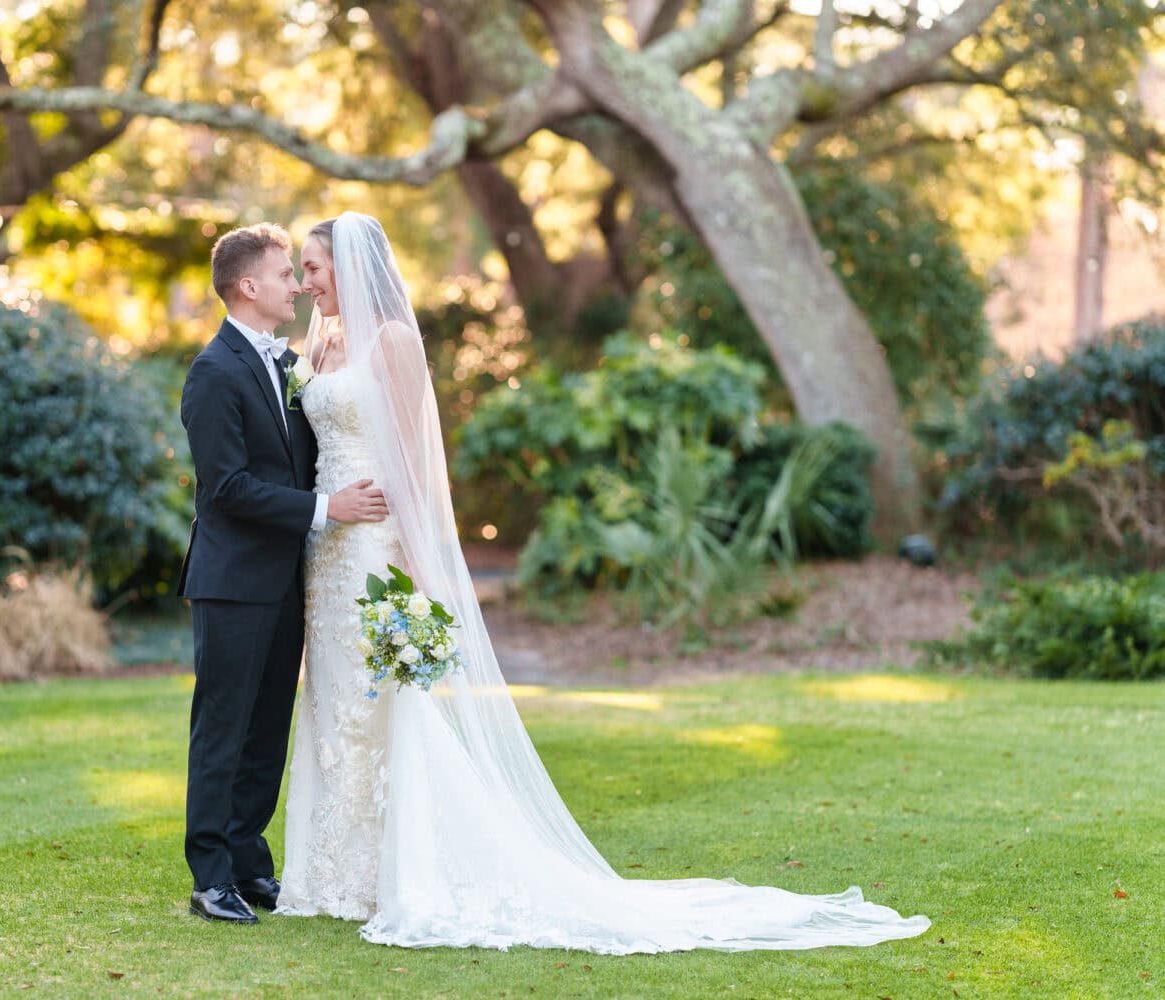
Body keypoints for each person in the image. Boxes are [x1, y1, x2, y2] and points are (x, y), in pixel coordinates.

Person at [275, 211, 931, 952]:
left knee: (389, 711)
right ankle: (330, 876)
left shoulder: (393, 342)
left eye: (314, 268)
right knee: (333, 707)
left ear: (352, 270)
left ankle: (399, 875)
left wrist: (424, 579)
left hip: (375, 552)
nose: (305, 282)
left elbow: (416, 461)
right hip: (325, 556)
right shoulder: (320, 344)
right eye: (299, 268)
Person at [177, 223, 386, 924]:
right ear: (248, 286)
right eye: (283, 273)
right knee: (223, 728)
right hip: (232, 581)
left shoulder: (293, 362)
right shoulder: (213, 372)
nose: (297, 285)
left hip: (292, 580)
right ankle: (210, 877)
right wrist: (328, 507)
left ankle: (248, 864)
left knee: (267, 729)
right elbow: (227, 489)